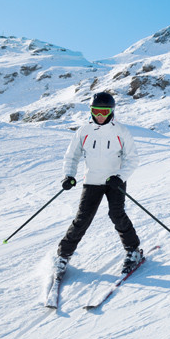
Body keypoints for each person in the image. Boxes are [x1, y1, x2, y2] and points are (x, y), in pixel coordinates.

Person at [54, 92, 142, 275]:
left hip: (114, 181)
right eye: (96, 110)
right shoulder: (83, 131)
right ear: (91, 111)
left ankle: (133, 250)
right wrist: (68, 175)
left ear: (111, 111)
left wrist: (120, 176)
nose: (99, 115)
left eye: (103, 111)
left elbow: (132, 159)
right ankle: (63, 255)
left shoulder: (121, 131)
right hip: (92, 180)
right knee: (82, 219)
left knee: (117, 215)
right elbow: (72, 156)